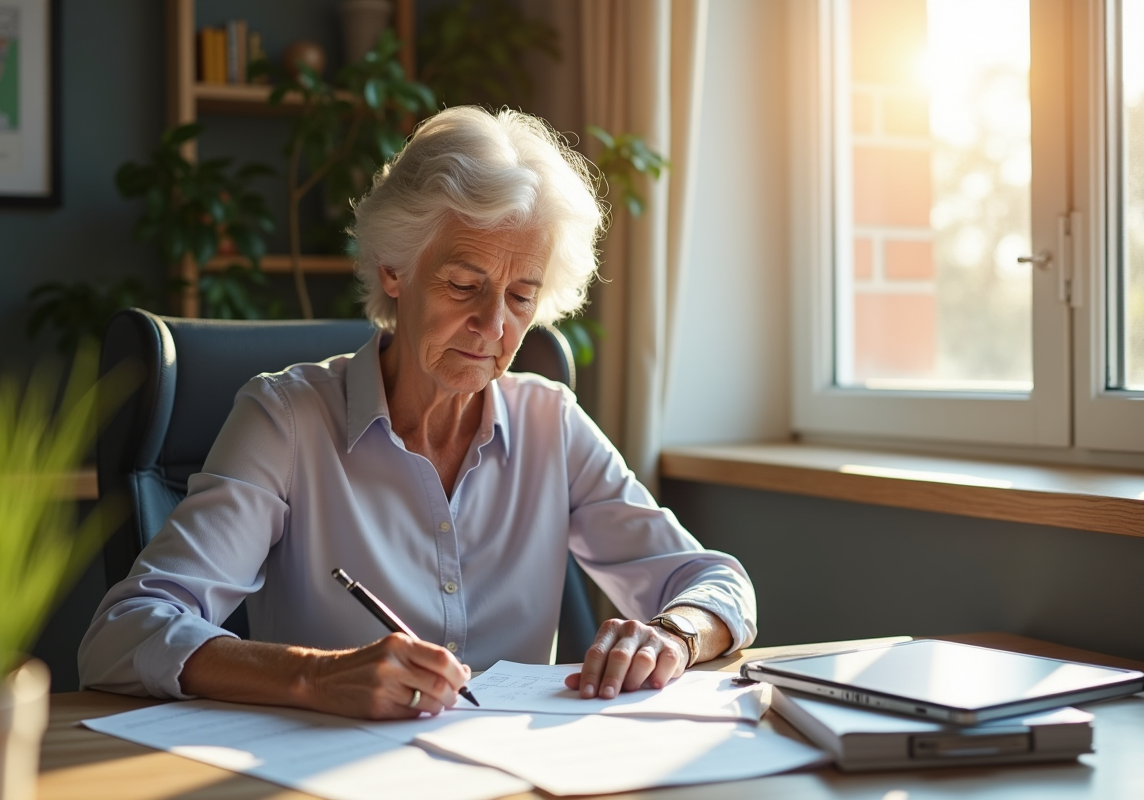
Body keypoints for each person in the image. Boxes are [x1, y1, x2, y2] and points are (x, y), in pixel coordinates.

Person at [79, 106, 757, 720]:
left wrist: (672, 634)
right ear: (394, 270)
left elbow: (718, 583)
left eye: (522, 297)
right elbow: (124, 633)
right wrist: (316, 676)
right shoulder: (286, 419)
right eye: (465, 284)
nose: (493, 326)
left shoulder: (550, 422)